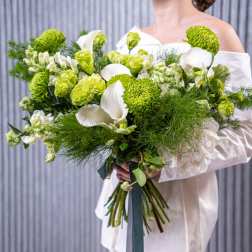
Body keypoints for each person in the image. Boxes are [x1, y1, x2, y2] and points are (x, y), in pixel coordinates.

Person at [95, 0, 252, 251]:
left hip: (179, 210)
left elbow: (246, 134)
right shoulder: (130, 41)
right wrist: (118, 151)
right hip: (125, 206)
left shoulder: (220, 35)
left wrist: (166, 162)